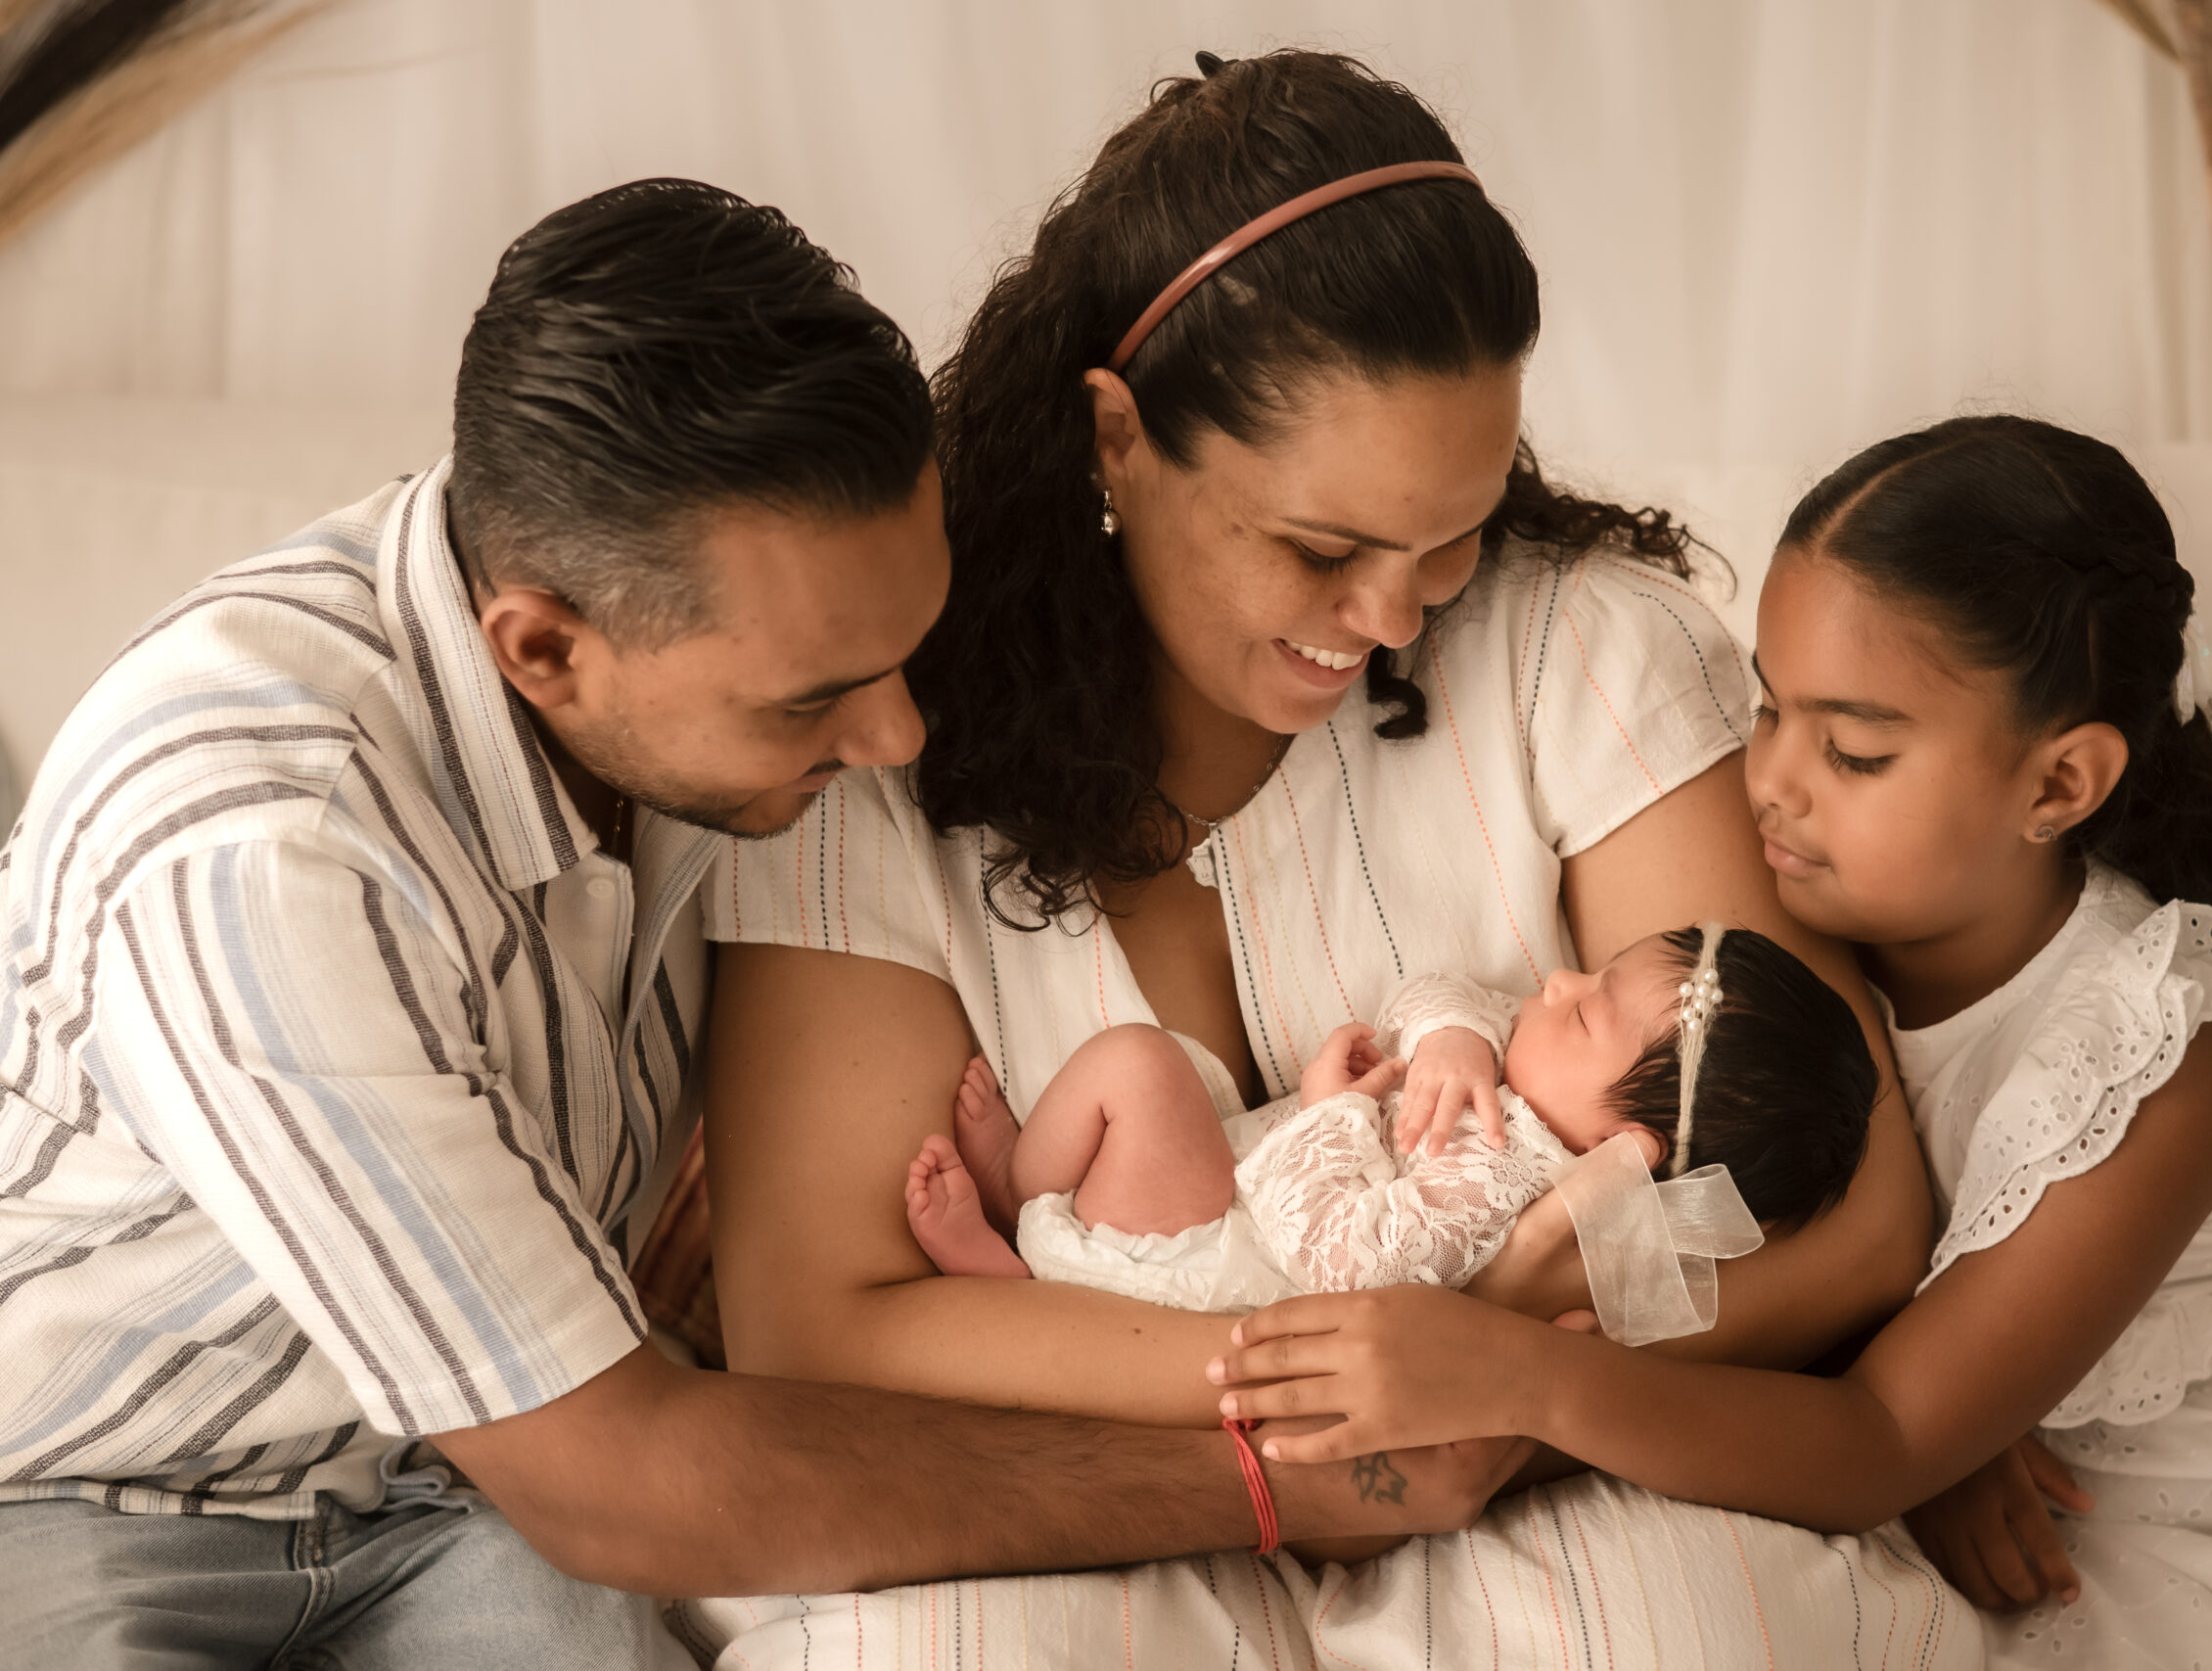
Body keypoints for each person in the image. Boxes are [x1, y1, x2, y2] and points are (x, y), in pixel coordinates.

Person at [0, 179, 1523, 1670]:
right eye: (815, 698)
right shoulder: (264, 855)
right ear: (542, 649)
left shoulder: (673, 656)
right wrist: (1278, 1484)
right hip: (86, 1498)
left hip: (437, 1486)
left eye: (903, 653)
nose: (900, 738)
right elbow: (622, 1476)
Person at [692, 49, 1963, 1668]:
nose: (1389, 618)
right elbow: (824, 1318)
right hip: (1084, 1482)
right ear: (1115, 439)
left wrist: (1501, 1377)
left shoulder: (1584, 651)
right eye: (1319, 547)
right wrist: (1346, 1385)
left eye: (1452, 535)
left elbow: (1848, 1206)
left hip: (1539, 1462)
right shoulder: (869, 744)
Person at [1213, 416, 2212, 1669]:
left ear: (2059, 784)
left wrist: (1531, 1377)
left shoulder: (2167, 1062)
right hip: (2044, 1484)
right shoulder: (1808, 915)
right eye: (1768, 709)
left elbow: (1882, 1429)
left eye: (1854, 749)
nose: (1770, 778)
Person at [906, 927, 1875, 1322]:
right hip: (1236, 1193)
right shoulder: (1530, 1074)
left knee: (1141, 1065)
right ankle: (1032, 1208)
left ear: (1629, 1151)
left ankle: (1021, 1236)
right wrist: (1454, 1035)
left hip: (1225, 1269)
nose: (1556, 980)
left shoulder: (1508, 1181)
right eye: (1593, 969)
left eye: (1585, 1010)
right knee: (1160, 1070)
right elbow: (1441, 990)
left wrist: (1333, 1113)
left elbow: (1343, 1263)